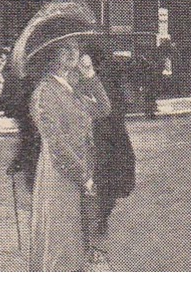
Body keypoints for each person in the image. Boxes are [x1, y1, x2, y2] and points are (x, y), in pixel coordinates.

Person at [27, 22, 107, 270]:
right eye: (64, 49)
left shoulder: (72, 90)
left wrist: (91, 76)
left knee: (77, 243)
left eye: (75, 47)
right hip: (60, 175)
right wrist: (83, 177)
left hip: (80, 172)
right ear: (51, 55)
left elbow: (103, 109)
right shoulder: (45, 93)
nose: (73, 53)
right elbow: (57, 144)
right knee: (61, 243)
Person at [77, 44, 135, 242]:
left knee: (101, 173)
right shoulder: (106, 72)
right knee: (109, 175)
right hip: (111, 133)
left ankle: (99, 216)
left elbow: (109, 105)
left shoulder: (91, 76)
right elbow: (125, 101)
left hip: (104, 132)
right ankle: (102, 215)